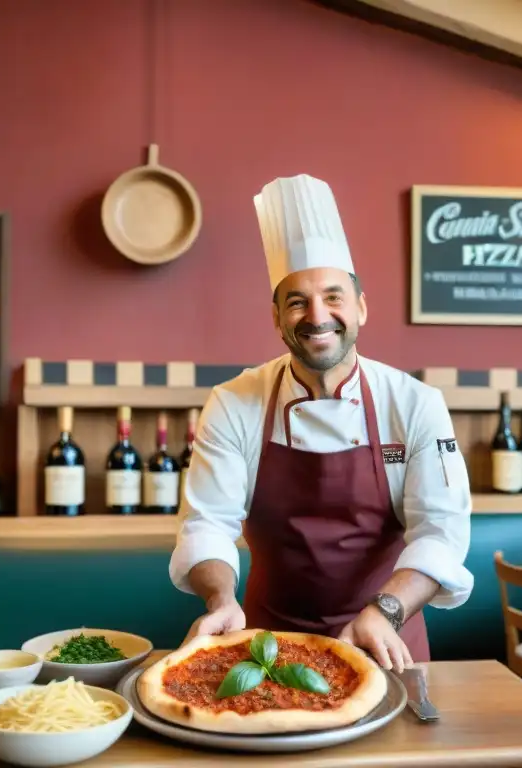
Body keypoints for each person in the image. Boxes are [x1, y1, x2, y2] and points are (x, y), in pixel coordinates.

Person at [168, 173, 473, 672]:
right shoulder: (233, 403)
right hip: (268, 645)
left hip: (383, 642)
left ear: (361, 308)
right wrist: (221, 600)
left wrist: (385, 610)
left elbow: (441, 532)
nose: (317, 315)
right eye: (297, 301)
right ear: (276, 318)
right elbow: (208, 524)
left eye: (333, 297)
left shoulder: (415, 404)